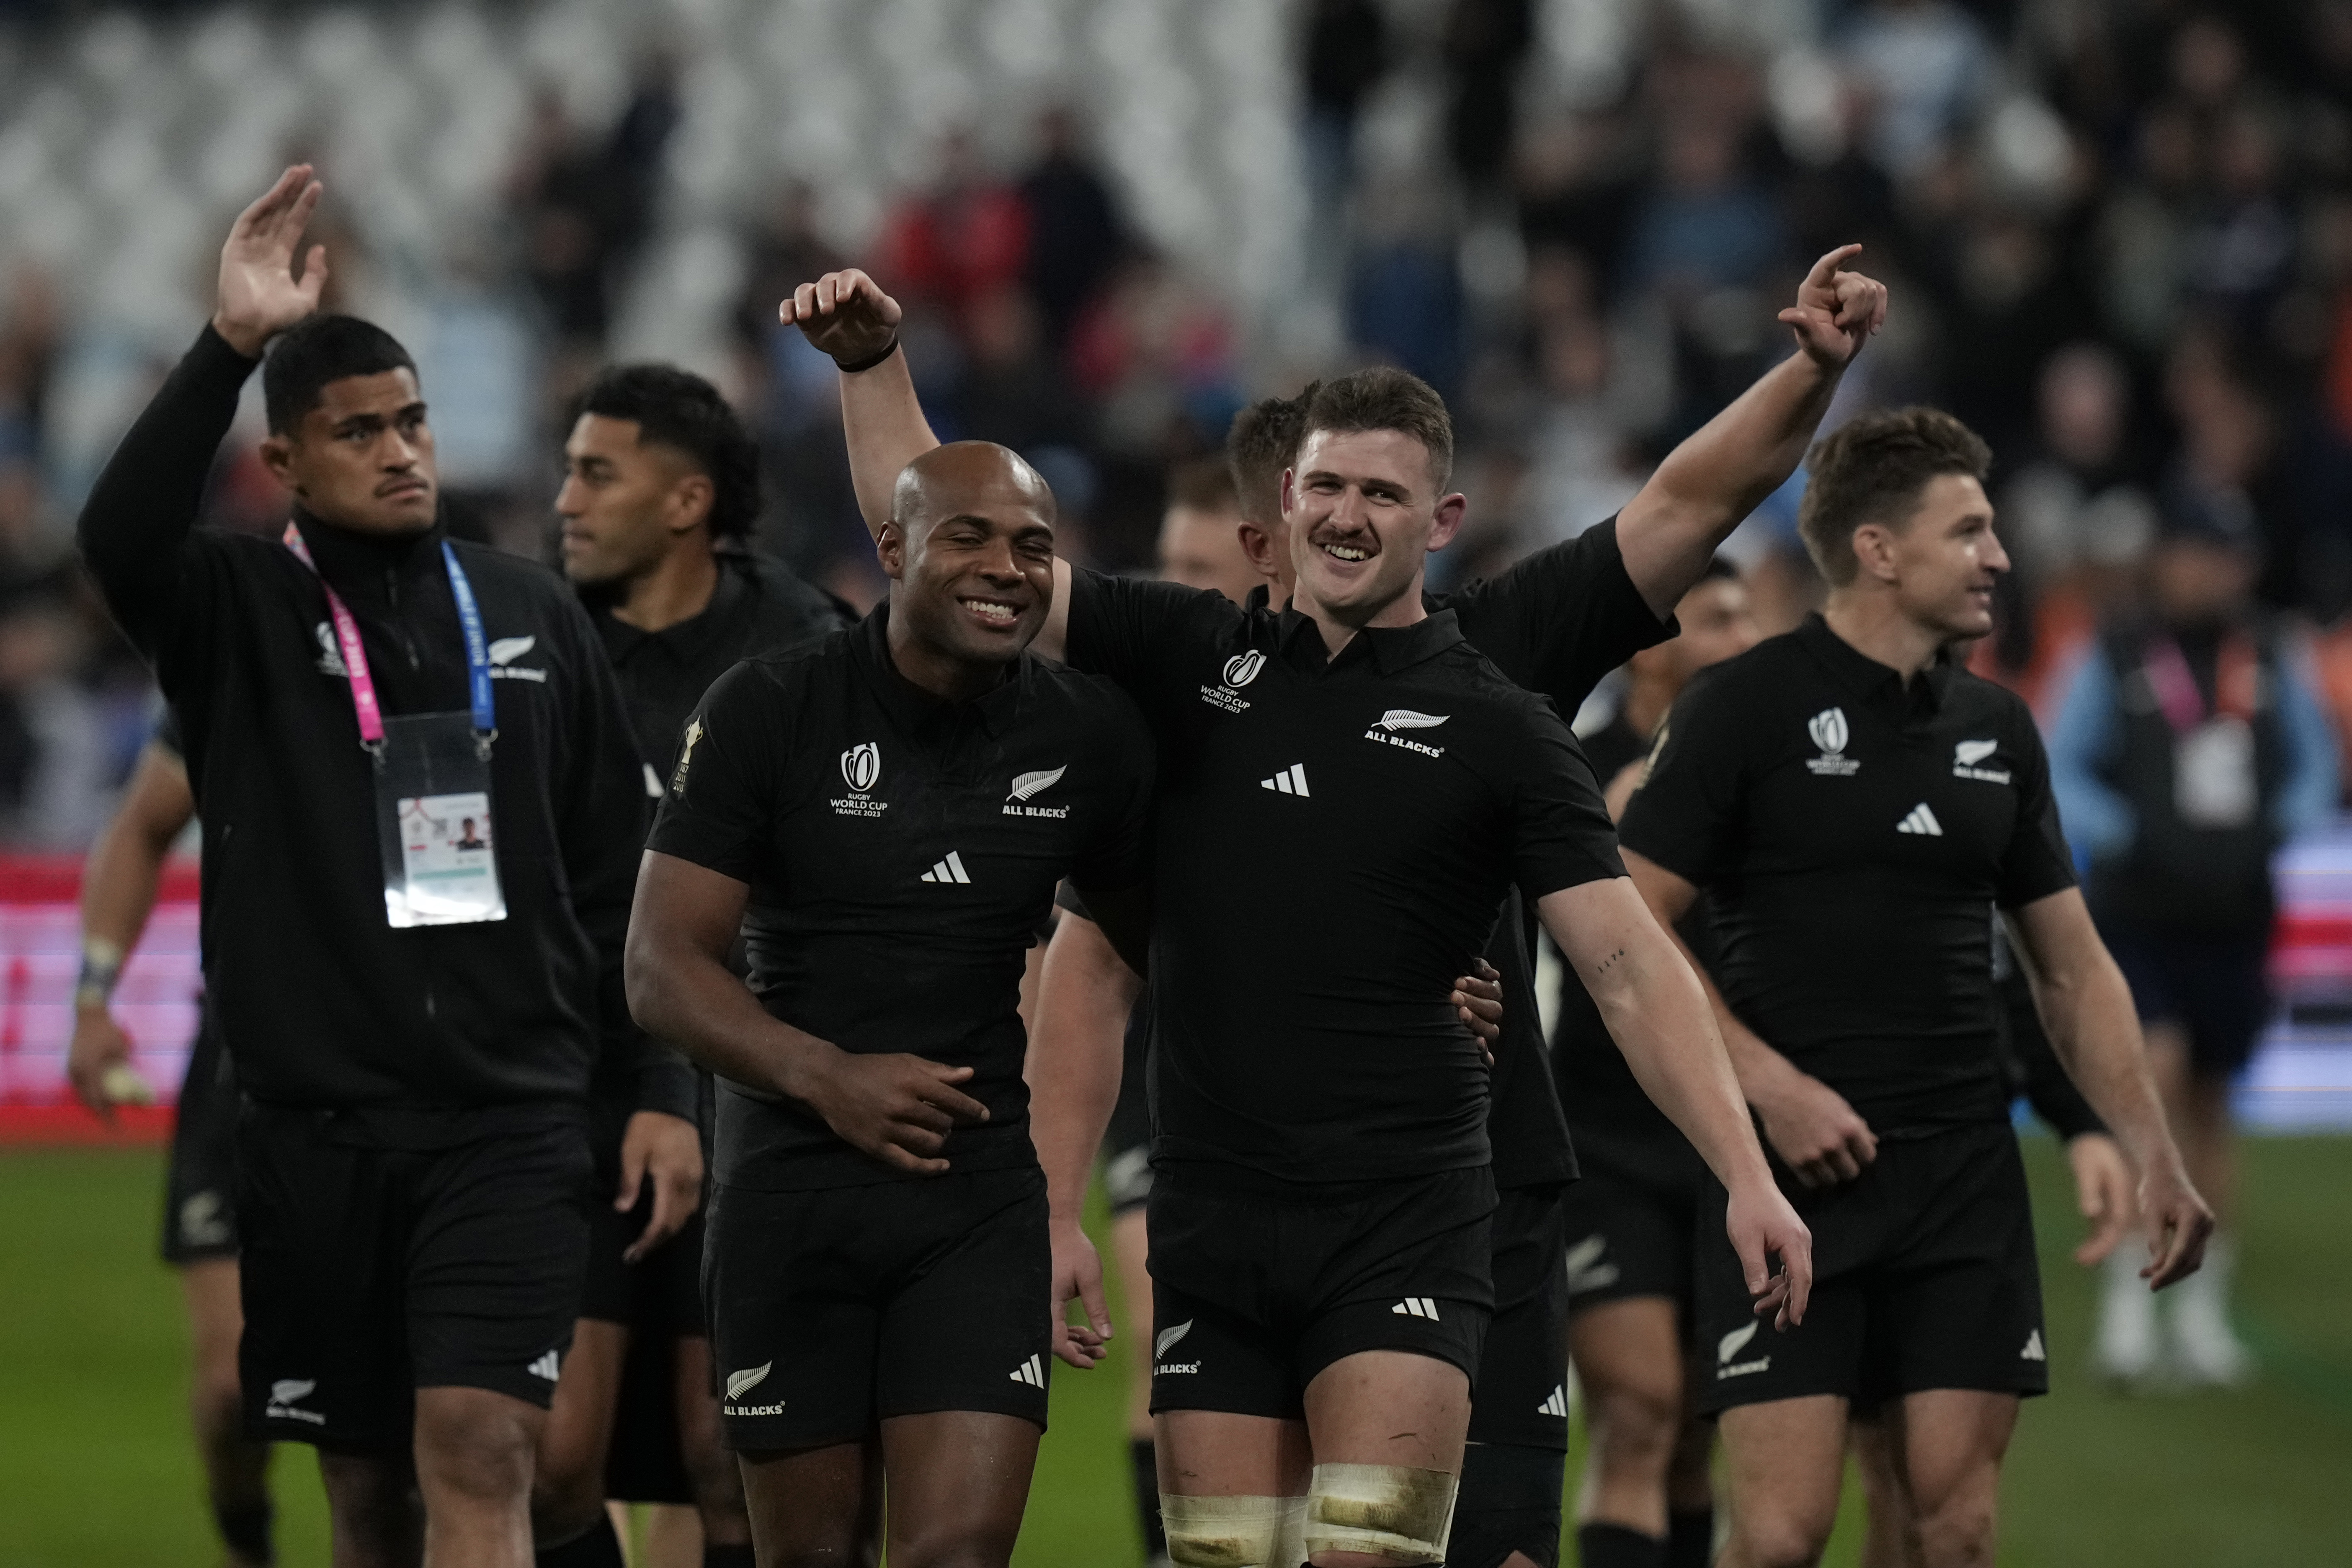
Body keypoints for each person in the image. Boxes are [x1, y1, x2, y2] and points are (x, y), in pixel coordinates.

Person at [792, 272, 1828, 1568]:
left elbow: (1624, 961)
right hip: (1214, 1225)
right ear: (1284, 505)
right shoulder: (1181, 663)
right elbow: (946, 545)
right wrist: (874, 365)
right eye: (1328, 489)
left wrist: (1744, 1174)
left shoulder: (1497, 716)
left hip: (1406, 1216)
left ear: (1441, 520)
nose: (1347, 516)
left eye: (1382, 495)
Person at [75, 167, 682, 1568]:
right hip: (309, 1131)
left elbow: (617, 876)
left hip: (509, 1122)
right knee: (365, 1499)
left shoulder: (529, 608)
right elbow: (116, 539)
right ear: (283, 463)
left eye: (412, 420)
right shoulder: (235, 612)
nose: (402, 449)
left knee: (479, 1445)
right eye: (358, 432)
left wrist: (650, 1090)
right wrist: (228, 345)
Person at [1616, 407, 2214, 1568]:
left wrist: (2147, 1143)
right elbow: (1624, 927)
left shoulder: (2000, 726)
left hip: (1961, 1183)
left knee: (1956, 1530)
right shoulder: (1742, 709)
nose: (2000, 555)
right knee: (1782, 1536)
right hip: (1786, 1187)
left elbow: (2071, 965)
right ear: (1880, 550)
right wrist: (1765, 1085)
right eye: (1970, 530)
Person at [622, 441, 1163, 1568]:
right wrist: (830, 1078)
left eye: (1031, 546)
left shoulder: (1089, 733)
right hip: (788, 1194)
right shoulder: (772, 708)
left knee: (954, 1555)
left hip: (973, 1202)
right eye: (967, 536)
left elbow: (1165, 936)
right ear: (893, 548)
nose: (1005, 567)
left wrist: (1411, 979)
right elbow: (662, 968)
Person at [535, 362, 851, 1568]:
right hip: (568, 1092)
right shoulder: (535, 651)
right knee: (555, 1460)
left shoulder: (804, 650)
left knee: (733, 1459)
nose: (565, 498)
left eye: (595, 472)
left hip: (754, 1096)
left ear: (685, 503)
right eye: (567, 469)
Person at [2045, 496, 2338, 1387]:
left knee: (2215, 1107)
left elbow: (2315, 762)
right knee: (2154, 1084)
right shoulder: (2118, 650)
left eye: (2218, 558)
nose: (2200, 574)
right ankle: (2135, 1310)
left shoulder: (2271, 653)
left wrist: (2273, 829)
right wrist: (2125, 831)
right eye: (2187, 555)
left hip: (2235, 915)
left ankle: (2204, 1313)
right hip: (2138, 916)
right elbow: (2063, 757)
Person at [1550, 560, 1756, 1568]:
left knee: (1698, 1435)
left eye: (1747, 618)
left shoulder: (1766, 775)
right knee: (1640, 1409)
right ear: (1648, 643)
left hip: (1727, 1145)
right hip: (1606, 1133)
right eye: (1716, 619)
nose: (1741, 637)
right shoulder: (1575, 769)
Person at [67, 721, 274, 1568]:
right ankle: (246, 1541)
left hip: (405, 1066)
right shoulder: (235, 659)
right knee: (233, 1391)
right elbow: (144, 824)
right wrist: (93, 998)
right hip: (243, 1066)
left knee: (411, 1413)